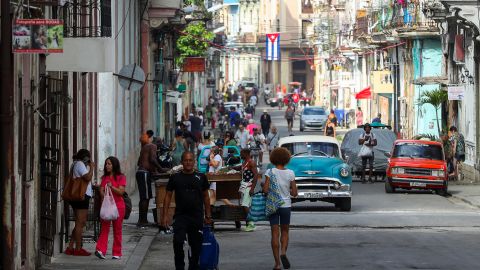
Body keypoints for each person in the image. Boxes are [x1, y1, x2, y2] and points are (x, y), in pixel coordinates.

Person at [161, 152, 212, 270]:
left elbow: (206, 197)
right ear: (182, 162)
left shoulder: (201, 177)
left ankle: (193, 267)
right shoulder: (175, 177)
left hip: (196, 217)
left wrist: (208, 215)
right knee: (178, 242)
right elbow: (167, 196)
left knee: (196, 246)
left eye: (190, 160)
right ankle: (180, 266)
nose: (188, 163)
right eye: (185, 160)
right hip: (180, 216)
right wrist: (164, 216)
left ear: (194, 162)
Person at [263, 147, 298, 270]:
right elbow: (294, 193)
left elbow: (265, 190)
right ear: (286, 159)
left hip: (273, 205)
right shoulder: (290, 173)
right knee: (285, 231)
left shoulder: (270, 172)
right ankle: (283, 252)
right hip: (286, 206)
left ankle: (277, 264)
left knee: (274, 233)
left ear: (273, 158)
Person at [65, 149, 95, 256]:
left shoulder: (75, 164)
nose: (89, 161)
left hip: (78, 197)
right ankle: (78, 249)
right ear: (86, 158)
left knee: (80, 222)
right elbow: (87, 177)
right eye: (88, 159)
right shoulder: (80, 164)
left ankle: (70, 246)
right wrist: (91, 167)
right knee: (80, 223)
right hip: (81, 197)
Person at [95, 156, 126, 260]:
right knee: (104, 228)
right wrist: (102, 191)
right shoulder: (104, 178)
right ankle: (100, 250)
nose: (107, 166)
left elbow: (121, 192)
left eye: (109, 164)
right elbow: (102, 191)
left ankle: (117, 252)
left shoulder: (121, 177)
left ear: (114, 165)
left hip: (119, 207)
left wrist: (111, 186)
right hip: (106, 206)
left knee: (117, 230)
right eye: (106, 164)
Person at [136, 134, 166, 227]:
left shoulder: (146, 147)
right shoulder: (153, 146)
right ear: (158, 142)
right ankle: (142, 220)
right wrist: (160, 168)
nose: (161, 145)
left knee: (144, 197)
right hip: (144, 173)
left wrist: (154, 170)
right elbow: (152, 159)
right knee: (145, 197)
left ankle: (142, 219)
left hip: (141, 173)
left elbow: (139, 162)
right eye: (161, 143)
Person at [236, 149, 259, 232]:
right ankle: (249, 223)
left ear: (246, 154)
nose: (240, 155)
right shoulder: (244, 162)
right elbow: (241, 169)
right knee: (245, 204)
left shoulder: (251, 162)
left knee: (245, 205)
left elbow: (256, 175)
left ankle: (251, 224)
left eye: (241, 153)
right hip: (244, 186)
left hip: (249, 186)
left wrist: (252, 188)